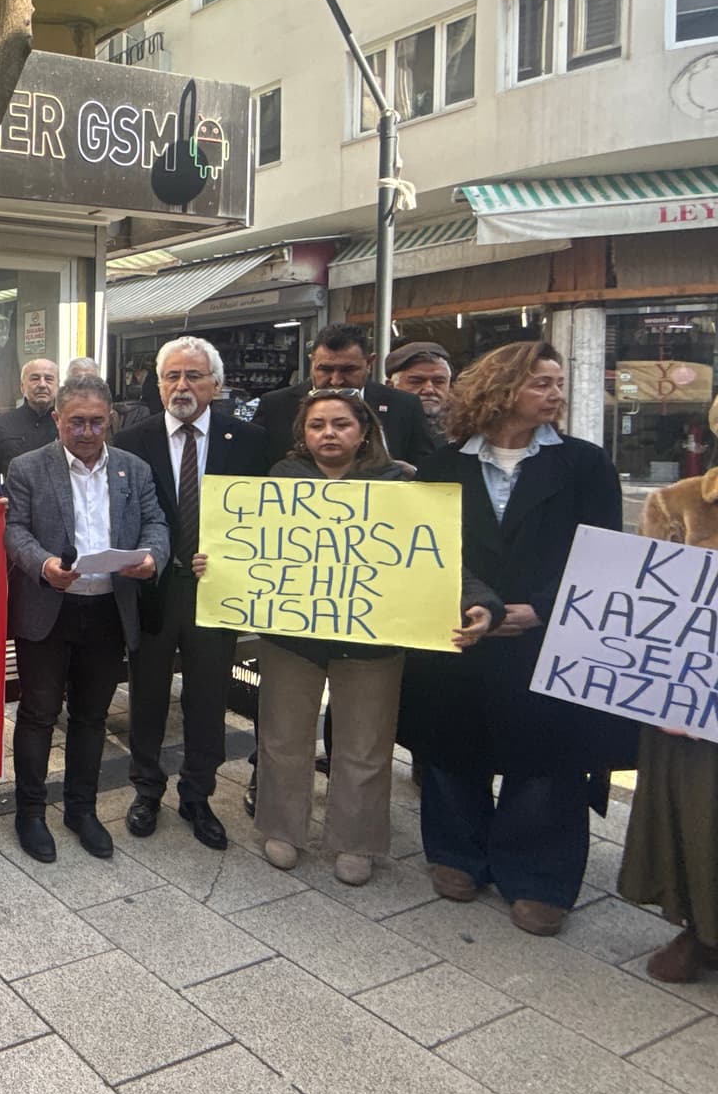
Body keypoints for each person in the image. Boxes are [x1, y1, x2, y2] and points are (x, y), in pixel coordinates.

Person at [206, 390, 496, 885]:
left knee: (366, 742)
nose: (329, 434)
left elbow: (440, 554)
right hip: (293, 635)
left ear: (364, 431)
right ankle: (281, 827)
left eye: (340, 424)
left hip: (372, 639)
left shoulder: (400, 483)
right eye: (318, 425)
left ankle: (356, 840)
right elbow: (248, 543)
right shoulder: (281, 479)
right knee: (282, 736)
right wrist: (216, 565)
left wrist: (478, 600)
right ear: (304, 433)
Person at [399, 341, 634, 937]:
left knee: (549, 756)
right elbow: (430, 552)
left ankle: (538, 877)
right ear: (500, 390)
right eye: (542, 383)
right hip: (461, 632)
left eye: (558, 383)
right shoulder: (444, 465)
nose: (556, 394)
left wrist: (542, 611)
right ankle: (457, 854)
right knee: (452, 745)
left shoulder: (584, 465)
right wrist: (471, 602)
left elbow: (605, 557)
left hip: (548, 634)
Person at [114, 337, 272, 852]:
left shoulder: (249, 441)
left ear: (216, 385)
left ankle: (198, 795)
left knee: (209, 697)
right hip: (154, 590)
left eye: (194, 376)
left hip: (218, 592)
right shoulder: (133, 441)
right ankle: (146, 789)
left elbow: (267, 520)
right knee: (149, 695)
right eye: (172, 376)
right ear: (158, 384)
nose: (182, 386)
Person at [4, 376, 166, 862]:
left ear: (110, 420)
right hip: (49, 611)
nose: (87, 432)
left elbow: (156, 521)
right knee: (37, 715)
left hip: (107, 612)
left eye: (97, 422)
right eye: (76, 421)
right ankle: (30, 811)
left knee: (92, 717)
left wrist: (153, 557)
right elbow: (14, 529)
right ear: (57, 420)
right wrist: (43, 565)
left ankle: (81, 808)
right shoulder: (28, 467)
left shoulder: (133, 470)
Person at [618, 394, 718, 981]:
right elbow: (641, 606)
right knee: (697, 809)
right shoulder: (673, 504)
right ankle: (698, 925)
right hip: (696, 701)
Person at [253, 323, 435, 468]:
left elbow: (426, 467)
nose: (336, 380)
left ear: (370, 363)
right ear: (312, 362)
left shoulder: (403, 405)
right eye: (325, 369)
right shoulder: (275, 405)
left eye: (348, 370)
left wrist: (409, 473)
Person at [0, 358, 61, 476]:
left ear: (58, 386)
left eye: (48, 379)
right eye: (35, 378)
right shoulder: (2, 425)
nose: (42, 384)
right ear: (22, 387)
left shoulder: (66, 425)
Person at [385, 340, 455, 449]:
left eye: (439, 381)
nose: (429, 390)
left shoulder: (466, 434)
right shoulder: (374, 433)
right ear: (390, 387)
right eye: (416, 381)